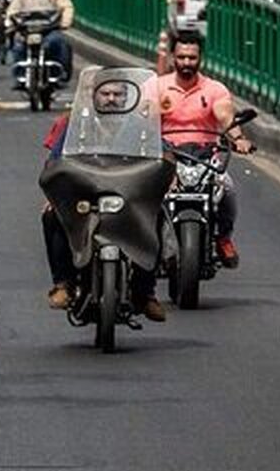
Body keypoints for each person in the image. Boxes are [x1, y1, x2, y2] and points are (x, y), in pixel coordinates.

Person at [40, 78, 167, 320]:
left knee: (157, 215)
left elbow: (161, 153)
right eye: (105, 93)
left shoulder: (140, 125)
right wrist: (54, 193)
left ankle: (145, 292)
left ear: (126, 98)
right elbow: (55, 161)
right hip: (84, 194)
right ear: (95, 96)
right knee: (51, 216)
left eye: (117, 94)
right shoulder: (76, 124)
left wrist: (166, 174)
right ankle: (64, 284)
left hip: (128, 193)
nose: (110, 99)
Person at [156, 30, 252, 267]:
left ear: (201, 59)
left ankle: (223, 238)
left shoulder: (214, 89)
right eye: (181, 57)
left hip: (205, 157)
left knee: (227, 189)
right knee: (145, 195)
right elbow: (145, 119)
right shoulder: (157, 88)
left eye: (192, 58)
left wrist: (239, 139)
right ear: (172, 58)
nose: (186, 63)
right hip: (166, 156)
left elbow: (225, 117)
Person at [6, 0, 74, 78]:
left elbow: (67, 7)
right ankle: (20, 76)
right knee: (18, 47)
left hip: (49, 28)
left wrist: (65, 22)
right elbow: (13, 9)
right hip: (27, 28)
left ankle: (60, 72)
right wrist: (10, 22)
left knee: (58, 42)